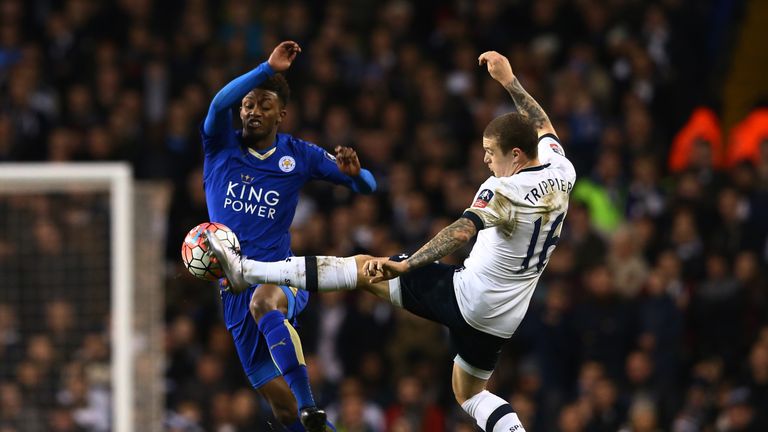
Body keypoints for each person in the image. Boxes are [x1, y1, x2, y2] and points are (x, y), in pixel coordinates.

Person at [205, 50, 575, 432]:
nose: (485, 162)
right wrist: (508, 81)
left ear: (515, 155)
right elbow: (542, 123)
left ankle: (246, 269)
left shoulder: (503, 189)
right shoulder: (562, 169)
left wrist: (409, 263)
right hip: (504, 316)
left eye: (490, 154)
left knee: (368, 270)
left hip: (467, 295)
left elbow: (461, 231)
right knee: (469, 394)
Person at [200, 40, 376, 432]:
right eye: (248, 104)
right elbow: (216, 105)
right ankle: (307, 417)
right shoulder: (220, 149)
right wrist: (266, 69)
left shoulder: (299, 155)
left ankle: (311, 405)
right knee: (282, 410)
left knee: (264, 303)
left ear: (282, 113)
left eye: (264, 105)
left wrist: (356, 176)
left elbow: (369, 186)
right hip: (233, 292)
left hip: (282, 276)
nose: (252, 111)